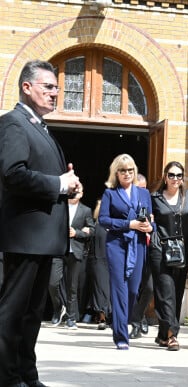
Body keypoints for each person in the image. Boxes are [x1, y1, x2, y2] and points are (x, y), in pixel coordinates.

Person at [0, 59, 81, 387]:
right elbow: (12, 174)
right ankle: (6, 378)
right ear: (27, 87)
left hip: (43, 239)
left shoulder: (40, 127)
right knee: (12, 313)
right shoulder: (14, 124)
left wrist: (70, 185)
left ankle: (26, 375)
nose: (55, 93)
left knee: (33, 314)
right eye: (48, 86)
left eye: (57, 88)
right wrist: (59, 184)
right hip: (25, 236)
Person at [98, 154, 154, 350]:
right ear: (116, 173)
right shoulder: (110, 194)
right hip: (116, 245)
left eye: (130, 170)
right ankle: (121, 336)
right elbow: (103, 220)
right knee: (119, 289)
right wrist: (127, 224)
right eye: (123, 170)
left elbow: (150, 218)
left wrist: (150, 227)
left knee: (132, 290)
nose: (127, 174)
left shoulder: (144, 194)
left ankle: (123, 320)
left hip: (138, 245)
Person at [149, 161, 188, 351]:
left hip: (182, 251)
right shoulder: (155, 198)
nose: (175, 179)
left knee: (176, 293)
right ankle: (172, 335)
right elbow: (146, 219)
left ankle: (162, 334)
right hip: (160, 250)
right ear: (165, 177)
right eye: (171, 175)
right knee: (165, 291)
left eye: (179, 175)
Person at [60, 184, 95, 329]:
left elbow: (92, 230)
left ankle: (71, 317)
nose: (74, 193)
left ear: (81, 194)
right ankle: (59, 307)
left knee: (72, 286)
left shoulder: (85, 210)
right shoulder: (59, 206)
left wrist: (77, 233)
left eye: (77, 191)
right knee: (52, 283)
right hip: (57, 249)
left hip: (76, 250)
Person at [129, 173, 155, 339]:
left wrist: (151, 225)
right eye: (139, 189)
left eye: (144, 189)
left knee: (150, 287)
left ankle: (138, 317)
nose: (142, 192)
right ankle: (138, 321)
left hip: (151, 249)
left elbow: (157, 223)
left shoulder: (150, 201)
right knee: (133, 288)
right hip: (134, 248)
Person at [86, 198, 110, 330]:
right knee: (100, 289)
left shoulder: (115, 223)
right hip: (97, 260)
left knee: (110, 289)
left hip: (112, 259)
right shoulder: (96, 224)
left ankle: (110, 315)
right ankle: (102, 316)